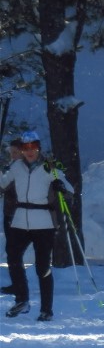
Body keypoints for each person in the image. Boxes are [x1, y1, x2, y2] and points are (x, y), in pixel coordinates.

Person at [0, 131, 75, 321]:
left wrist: (61, 186)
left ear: (38, 147)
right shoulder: (17, 166)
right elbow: (2, 184)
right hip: (19, 220)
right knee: (13, 257)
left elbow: (70, 190)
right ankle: (22, 299)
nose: (30, 151)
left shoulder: (49, 166)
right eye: (25, 148)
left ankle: (46, 309)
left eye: (33, 147)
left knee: (42, 267)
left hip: (43, 222)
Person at [1, 139, 19, 295]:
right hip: (9, 213)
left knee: (14, 250)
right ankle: (16, 282)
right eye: (11, 152)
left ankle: (18, 283)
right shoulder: (12, 168)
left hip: (17, 214)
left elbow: (5, 186)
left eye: (15, 152)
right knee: (11, 250)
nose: (12, 155)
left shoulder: (20, 170)